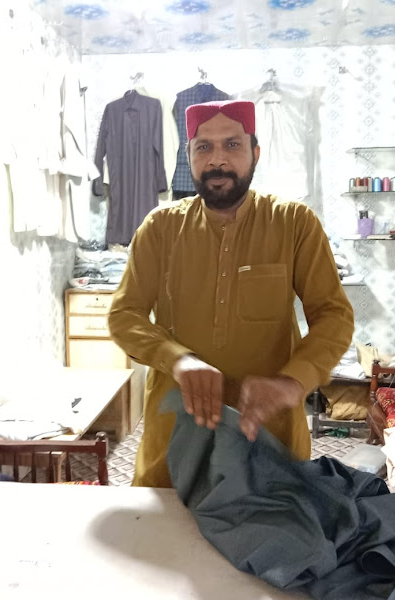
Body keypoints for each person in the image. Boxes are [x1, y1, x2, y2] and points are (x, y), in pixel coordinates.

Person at [108, 100, 354, 488]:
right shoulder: (160, 227)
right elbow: (125, 315)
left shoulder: (294, 223)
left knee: (272, 522)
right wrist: (177, 360)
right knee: (164, 523)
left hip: (267, 435)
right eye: (203, 147)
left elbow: (333, 316)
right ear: (189, 156)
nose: (217, 159)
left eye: (233, 145)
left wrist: (293, 383)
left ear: (255, 153)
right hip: (176, 430)